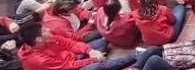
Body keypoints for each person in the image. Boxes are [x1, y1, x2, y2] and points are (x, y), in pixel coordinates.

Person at [17, 23, 171, 70]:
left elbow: (70, 43)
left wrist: (89, 50)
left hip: (72, 57)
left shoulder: (47, 38)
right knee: (97, 67)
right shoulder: (37, 60)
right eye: (44, 31)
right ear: (38, 39)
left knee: (101, 42)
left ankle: (139, 59)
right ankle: (135, 58)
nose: (48, 30)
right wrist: (92, 59)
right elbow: (67, 66)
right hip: (69, 67)